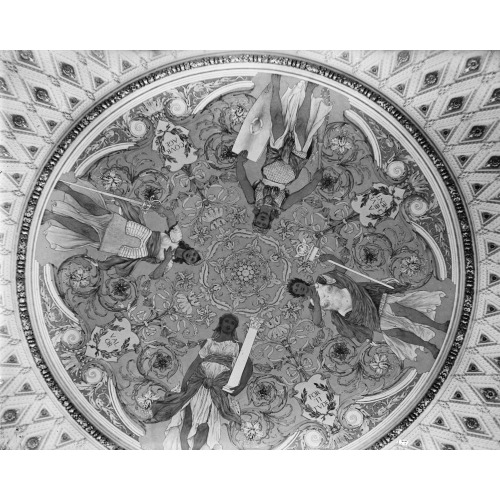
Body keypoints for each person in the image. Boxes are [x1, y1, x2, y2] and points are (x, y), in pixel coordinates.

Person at [287, 254, 449, 361]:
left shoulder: (321, 280)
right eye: (297, 291)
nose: (300, 289)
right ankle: (429, 346)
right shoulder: (312, 304)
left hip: (364, 297)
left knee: (402, 311)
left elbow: (340, 270)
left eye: (299, 285)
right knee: (395, 332)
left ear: (302, 282)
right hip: (356, 314)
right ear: (298, 295)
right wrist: (315, 301)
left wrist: (329, 257)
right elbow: (317, 321)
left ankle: (439, 326)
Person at [42, 181, 201, 278]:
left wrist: (166, 260)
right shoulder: (176, 238)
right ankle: (66, 190)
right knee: (95, 210)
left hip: (133, 250)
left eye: (192, 259)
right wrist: (161, 210)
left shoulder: (169, 264)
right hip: (137, 232)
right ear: (192, 249)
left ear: (187, 261)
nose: (191, 256)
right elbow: (171, 217)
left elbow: (155, 275)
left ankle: (52, 217)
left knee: (86, 232)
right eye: (194, 254)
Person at [236, 74, 331, 231]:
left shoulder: (252, 199)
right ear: (268, 223)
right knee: (301, 127)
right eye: (263, 224)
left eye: (257, 222)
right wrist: (315, 180)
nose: (261, 221)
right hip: (294, 165)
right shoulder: (282, 206)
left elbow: (242, 179)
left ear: (255, 218)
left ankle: (276, 87)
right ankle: (308, 91)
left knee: (278, 121)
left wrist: (239, 162)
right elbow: (301, 193)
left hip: (272, 160)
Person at [148, 313, 253, 450]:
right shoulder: (209, 342)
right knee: (188, 417)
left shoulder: (237, 346)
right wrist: (185, 381)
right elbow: (196, 363)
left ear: (234, 327)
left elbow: (248, 366)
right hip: (199, 383)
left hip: (217, 387)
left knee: (206, 422)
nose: (228, 324)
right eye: (226, 321)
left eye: (232, 323)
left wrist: (240, 386)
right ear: (221, 323)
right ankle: (184, 449)